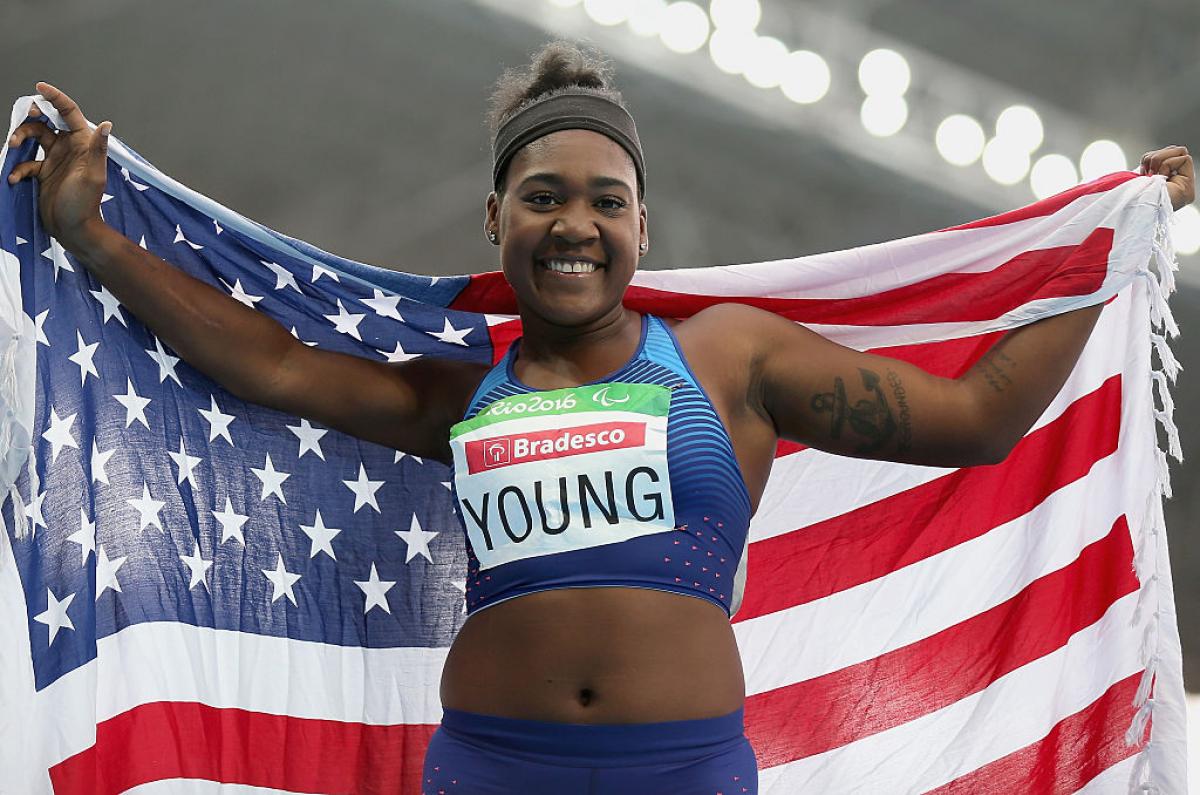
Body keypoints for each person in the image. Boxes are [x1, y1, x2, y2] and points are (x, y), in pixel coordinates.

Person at [8, 42, 1193, 795]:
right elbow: (271, 364)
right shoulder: (466, 393)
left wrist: (1119, 240)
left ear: (642, 227)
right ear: (494, 218)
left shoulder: (729, 357)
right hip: (490, 767)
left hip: (681, 771)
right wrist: (89, 234)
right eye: (542, 198)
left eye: (605, 202)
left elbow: (980, 418)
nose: (574, 223)